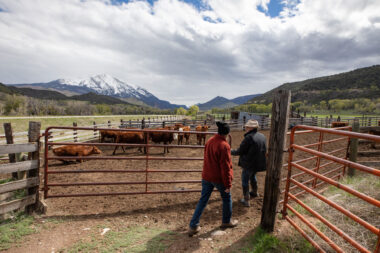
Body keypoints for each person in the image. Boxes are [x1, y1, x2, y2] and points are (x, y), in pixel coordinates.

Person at [188, 121, 238, 237]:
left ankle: (193, 225)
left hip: (206, 176)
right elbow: (225, 167)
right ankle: (226, 221)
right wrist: (228, 184)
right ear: (227, 133)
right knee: (227, 198)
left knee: (203, 200)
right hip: (218, 178)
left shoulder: (210, 141)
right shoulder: (224, 146)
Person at [231, 120, 267, 207]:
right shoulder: (262, 136)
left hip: (249, 163)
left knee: (245, 180)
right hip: (259, 163)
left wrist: (230, 151)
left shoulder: (248, 137)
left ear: (251, 128)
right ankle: (254, 192)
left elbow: (240, 151)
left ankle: (246, 199)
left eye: (247, 127)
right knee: (253, 176)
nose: (245, 128)